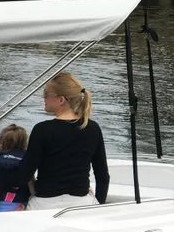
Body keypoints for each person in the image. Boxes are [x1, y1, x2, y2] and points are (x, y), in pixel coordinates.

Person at [16, 72, 109, 211]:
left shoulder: (42, 130)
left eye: (46, 93)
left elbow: (24, 175)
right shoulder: (93, 128)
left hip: (43, 205)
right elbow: (103, 176)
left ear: (61, 100)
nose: (43, 97)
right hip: (81, 204)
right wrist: (99, 207)